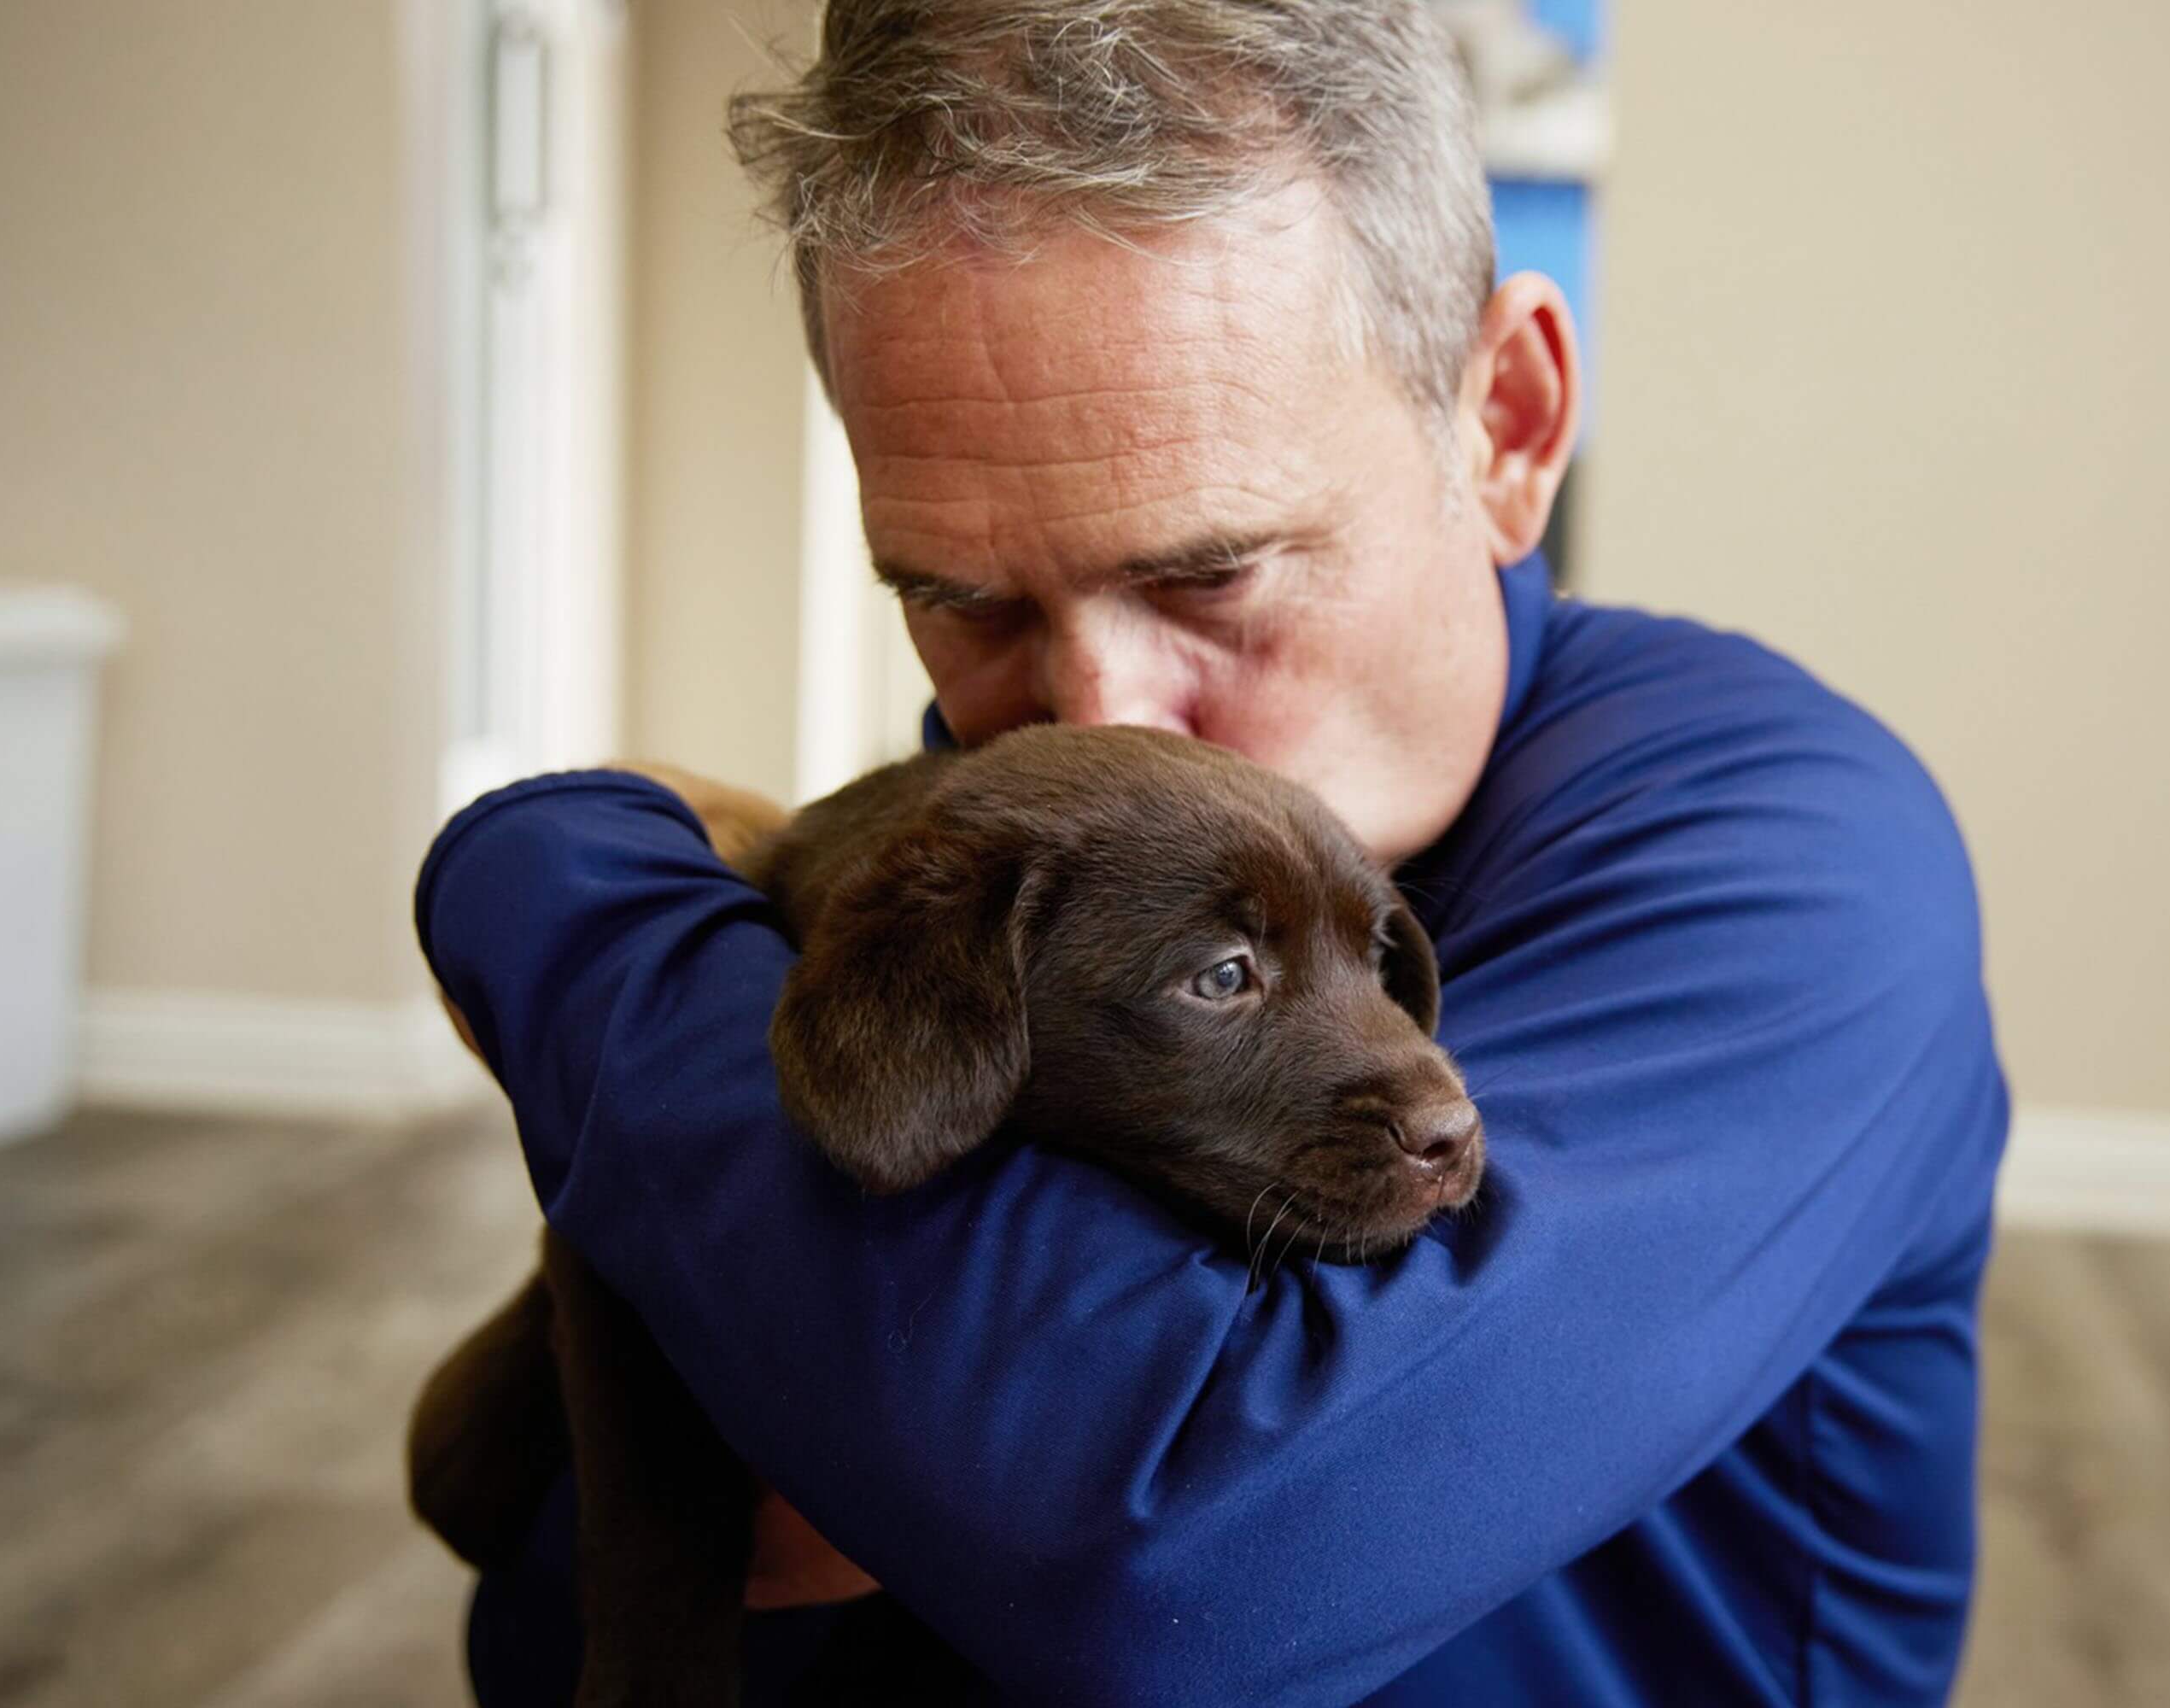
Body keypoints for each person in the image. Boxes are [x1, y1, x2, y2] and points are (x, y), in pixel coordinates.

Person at [418, 3, 2008, 1703]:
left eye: (1207, 575)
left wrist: (575, 916)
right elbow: (546, 1555)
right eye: (959, 601)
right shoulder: (1020, 867)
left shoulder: (1788, 867)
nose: (1091, 713)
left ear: (1508, 427)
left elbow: (1167, 1557)